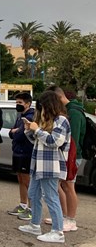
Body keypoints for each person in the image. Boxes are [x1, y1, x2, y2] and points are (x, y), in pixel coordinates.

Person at [18, 91, 71, 244]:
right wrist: (29, 129)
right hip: (38, 164)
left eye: (42, 106)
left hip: (51, 165)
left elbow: (55, 141)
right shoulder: (46, 120)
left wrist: (37, 129)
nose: (41, 109)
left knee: (51, 196)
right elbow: (36, 140)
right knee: (33, 194)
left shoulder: (61, 120)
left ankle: (58, 231)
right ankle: (34, 225)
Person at [46, 86, 85, 232]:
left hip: (72, 156)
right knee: (62, 186)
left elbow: (71, 139)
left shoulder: (73, 113)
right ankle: (63, 216)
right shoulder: (69, 111)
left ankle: (71, 219)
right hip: (66, 155)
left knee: (69, 186)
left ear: (59, 98)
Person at [7, 92, 36, 220]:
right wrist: (14, 132)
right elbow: (12, 132)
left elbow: (20, 134)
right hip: (17, 151)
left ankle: (31, 208)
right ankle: (22, 204)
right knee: (20, 179)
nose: (17, 105)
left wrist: (15, 132)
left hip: (26, 152)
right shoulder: (20, 116)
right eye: (16, 102)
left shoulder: (30, 117)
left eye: (20, 103)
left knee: (27, 180)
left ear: (28, 104)